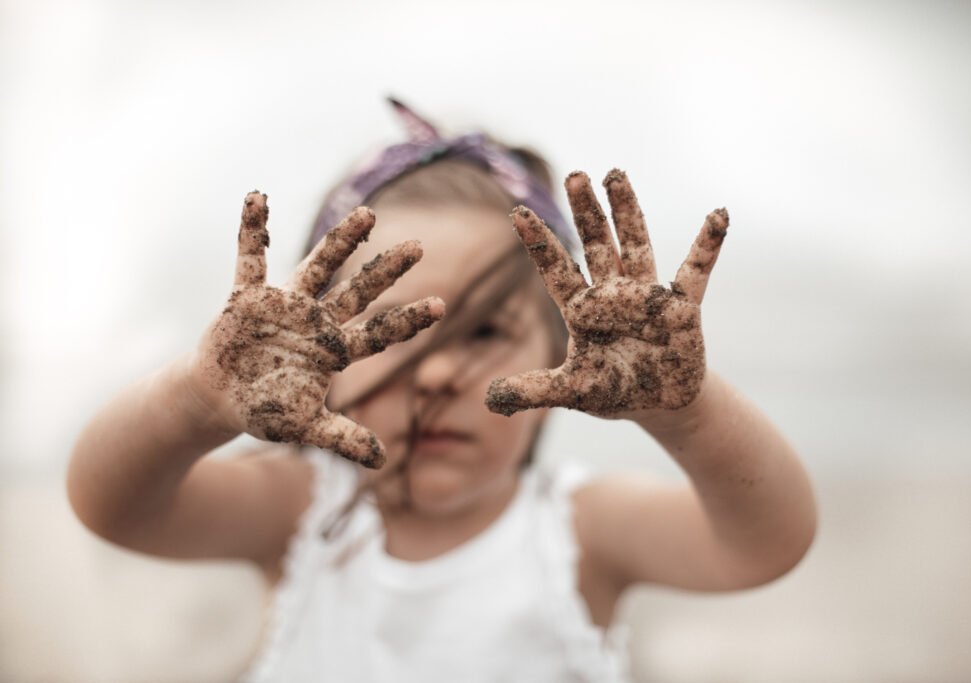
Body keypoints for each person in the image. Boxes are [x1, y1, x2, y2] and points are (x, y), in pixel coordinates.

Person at [67, 99, 817, 682]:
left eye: (485, 333)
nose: (434, 373)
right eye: (389, 333)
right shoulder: (294, 509)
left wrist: (685, 412)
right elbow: (114, 504)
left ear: (563, 352)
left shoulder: (581, 530)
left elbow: (765, 542)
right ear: (309, 351)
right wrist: (198, 398)